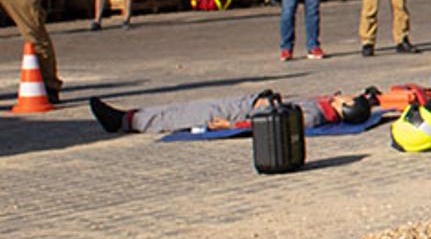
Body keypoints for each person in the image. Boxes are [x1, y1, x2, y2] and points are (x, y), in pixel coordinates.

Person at [88, 89, 374, 134]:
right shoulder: (323, 106)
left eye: (349, 96)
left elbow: (271, 125)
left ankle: (126, 121)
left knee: (184, 115)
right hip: (248, 104)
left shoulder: (314, 115)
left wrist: (232, 127)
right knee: (187, 107)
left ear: (345, 106)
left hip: (241, 114)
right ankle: (129, 116)